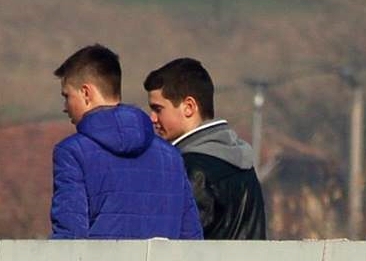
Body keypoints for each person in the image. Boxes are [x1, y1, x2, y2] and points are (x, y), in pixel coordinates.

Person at [50, 44, 202, 241]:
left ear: (86, 93)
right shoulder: (171, 155)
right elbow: (191, 240)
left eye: (67, 96)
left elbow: (70, 239)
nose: (65, 107)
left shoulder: (72, 153)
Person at [143, 57, 268, 240]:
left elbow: (177, 245)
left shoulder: (190, 170)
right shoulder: (244, 164)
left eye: (158, 109)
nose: (152, 118)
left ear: (189, 107)